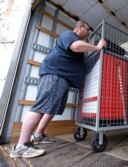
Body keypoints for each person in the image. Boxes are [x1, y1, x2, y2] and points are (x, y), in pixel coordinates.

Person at [9, 20, 107, 158]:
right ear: (79, 28)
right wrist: (97, 47)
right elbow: (76, 46)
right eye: (87, 30)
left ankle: (38, 135)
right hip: (56, 74)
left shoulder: (78, 42)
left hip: (62, 78)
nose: (88, 33)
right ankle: (21, 145)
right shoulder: (69, 35)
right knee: (41, 107)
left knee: (50, 109)